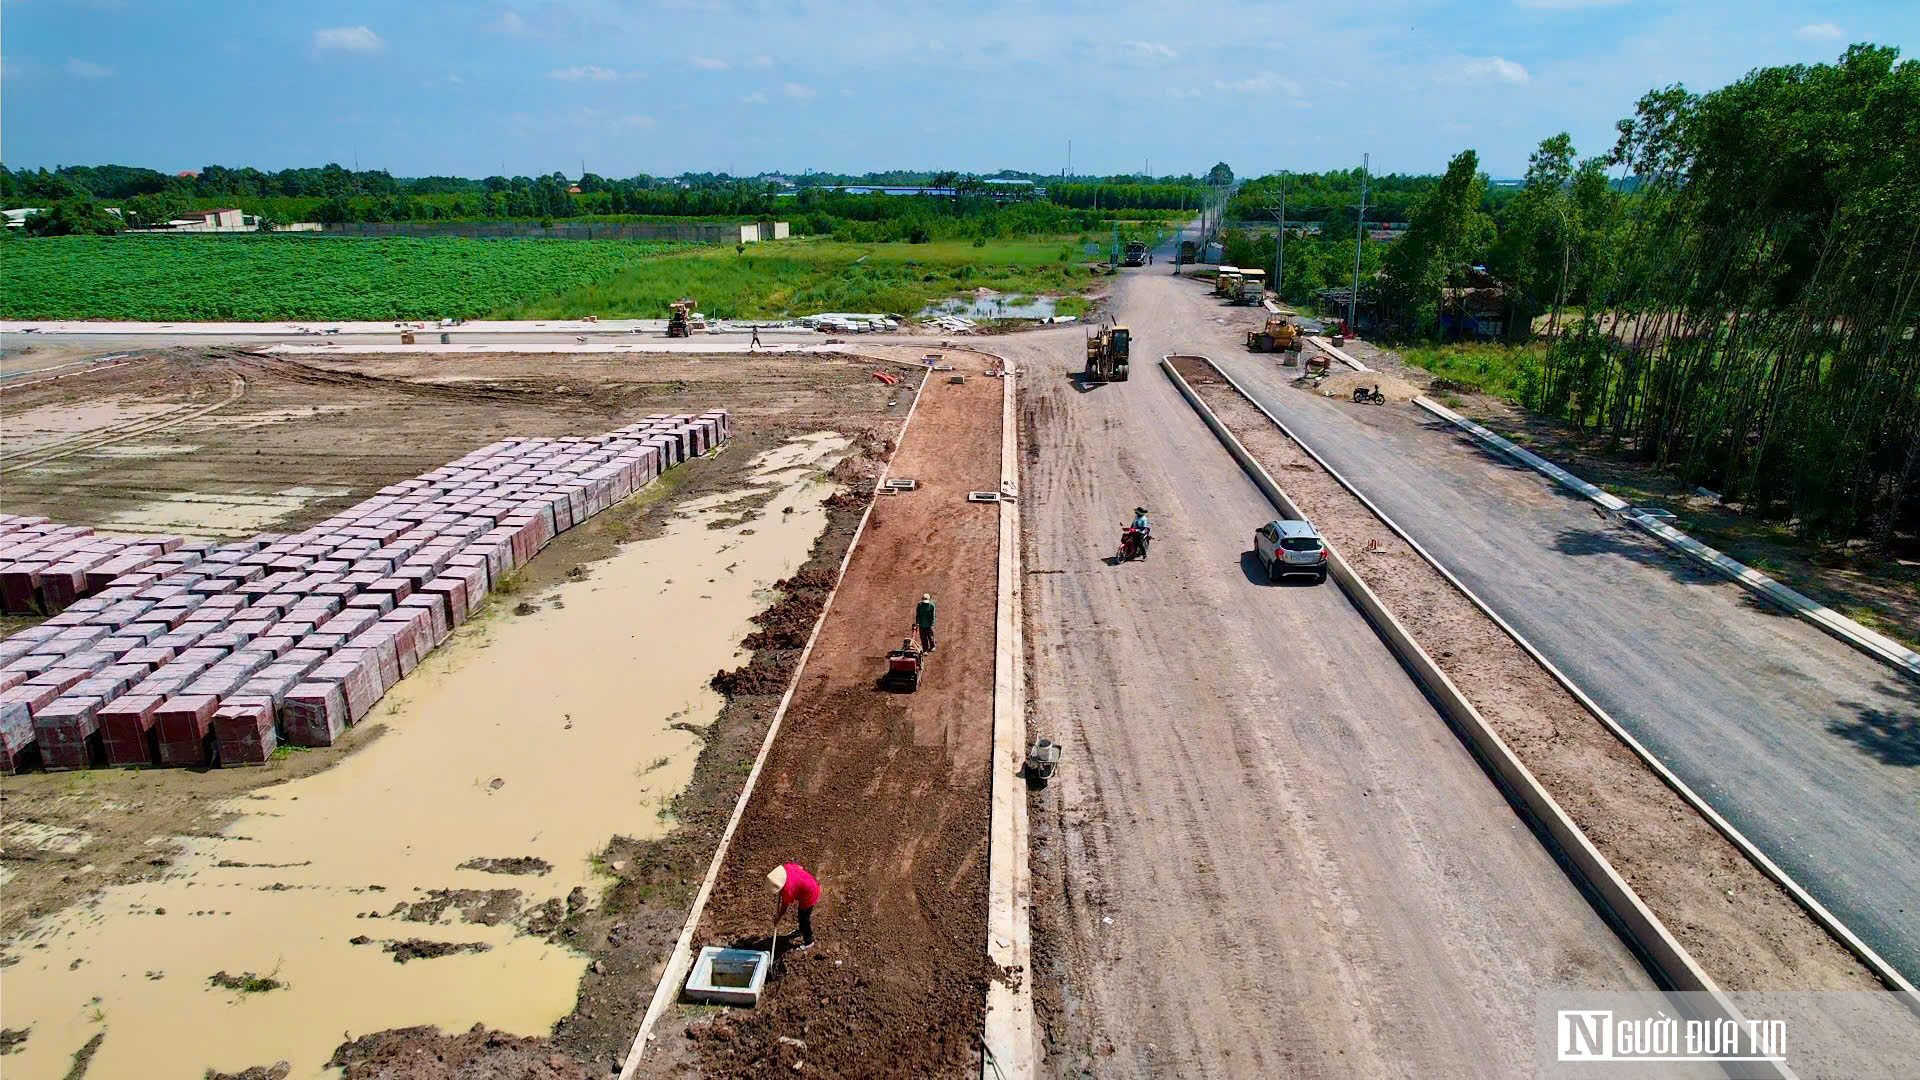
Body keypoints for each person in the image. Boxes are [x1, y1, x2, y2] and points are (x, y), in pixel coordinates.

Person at [768, 862, 821, 951]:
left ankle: (809, 941)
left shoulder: (788, 889)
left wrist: (778, 917)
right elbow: (800, 867)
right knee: (801, 917)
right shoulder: (787, 867)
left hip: (810, 894)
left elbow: (784, 906)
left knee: (804, 919)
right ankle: (801, 931)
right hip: (810, 883)